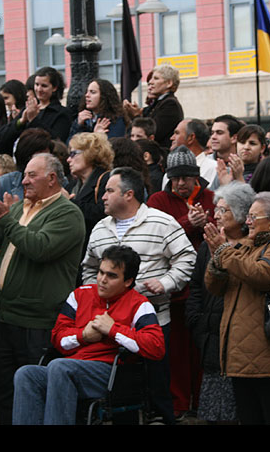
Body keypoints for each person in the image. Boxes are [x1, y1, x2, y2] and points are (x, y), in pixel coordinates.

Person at [0, 152, 85, 425]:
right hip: (6, 318)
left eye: (32, 175)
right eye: (24, 175)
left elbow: (39, 248)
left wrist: (2, 216)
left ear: (52, 178)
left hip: (39, 323)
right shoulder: (19, 208)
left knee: (35, 393)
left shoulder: (68, 213)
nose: (24, 181)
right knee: (5, 392)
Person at [81, 166, 196, 424]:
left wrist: (166, 282)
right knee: (122, 393)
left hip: (153, 320)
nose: (103, 197)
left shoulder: (162, 222)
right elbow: (88, 268)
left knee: (158, 388)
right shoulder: (100, 229)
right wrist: (95, 296)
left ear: (129, 194)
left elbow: (188, 258)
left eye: (109, 191)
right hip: (110, 324)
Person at [12, 245, 165, 425]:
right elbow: (57, 338)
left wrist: (113, 329)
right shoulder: (79, 295)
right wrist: (83, 335)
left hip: (112, 374)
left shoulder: (139, 304)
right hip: (70, 367)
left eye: (112, 276)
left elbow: (156, 347)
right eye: (101, 272)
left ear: (128, 281)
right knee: (26, 373)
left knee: (60, 367)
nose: (102, 280)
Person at [203, 191, 270, 424]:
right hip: (240, 356)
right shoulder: (246, 245)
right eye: (247, 216)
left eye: (252, 217)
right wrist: (216, 261)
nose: (247, 222)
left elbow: (262, 276)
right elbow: (215, 288)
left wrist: (223, 252)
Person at [146, 144, 216, 418]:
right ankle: (177, 405)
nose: (182, 183)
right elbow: (156, 237)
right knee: (174, 352)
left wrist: (207, 225)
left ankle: (201, 402)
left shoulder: (210, 197)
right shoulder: (158, 201)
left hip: (206, 286)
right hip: (172, 289)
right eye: (176, 178)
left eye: (187, 177)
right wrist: (187, 222)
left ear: (196, 176)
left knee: (201, 349)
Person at [185, 181, 256, 424]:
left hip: (239, 337)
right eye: (216, 209)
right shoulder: (208, 244)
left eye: (223, 210)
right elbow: (196, 286)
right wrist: (195, 319)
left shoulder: (253, 246)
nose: (216, 215)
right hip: (209, 334)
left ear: (241, 214)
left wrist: (223, 251)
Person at [66, 132, 115, 252]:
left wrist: (70, 202)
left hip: (96, 250)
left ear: (90, 154)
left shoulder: (106, 179)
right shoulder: (71, 186)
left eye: (73, 154)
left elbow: (103, 214)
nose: (68, 160)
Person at [125, 65, 184, 148]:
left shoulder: (170, 105)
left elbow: (151, 133)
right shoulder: (158, 103)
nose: (150, 82)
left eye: (156, 78)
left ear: (169, 83)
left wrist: (135, 116)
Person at [21, 67, 72, 144]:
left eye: (44, 86)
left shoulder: (62, 113)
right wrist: (21, 121)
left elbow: (57, 141)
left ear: (54, 88)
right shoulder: (28, 109)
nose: (39, 89)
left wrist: (34, 119)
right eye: (37, 84)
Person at [162, 118, 217, 189]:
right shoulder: (168, 174)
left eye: (177, 133)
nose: (172, 138)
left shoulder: (214, 169)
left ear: (191, 138)